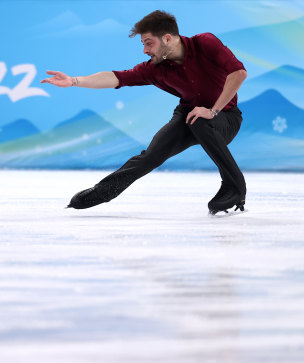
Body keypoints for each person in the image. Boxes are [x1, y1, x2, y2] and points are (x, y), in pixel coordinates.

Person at [40, 10, 248, 215]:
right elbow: (117, 77)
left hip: (225, 117)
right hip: (188, 115)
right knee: (151, 155)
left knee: (200, 121)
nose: (145, 50)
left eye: (149, 43)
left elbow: (238, 73)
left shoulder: (204, 43)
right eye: (143, 45)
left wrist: (213, 111)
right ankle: (103, 191)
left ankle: (234, 188)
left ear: (167, 38)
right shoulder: (155, 69)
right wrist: (75, 81)